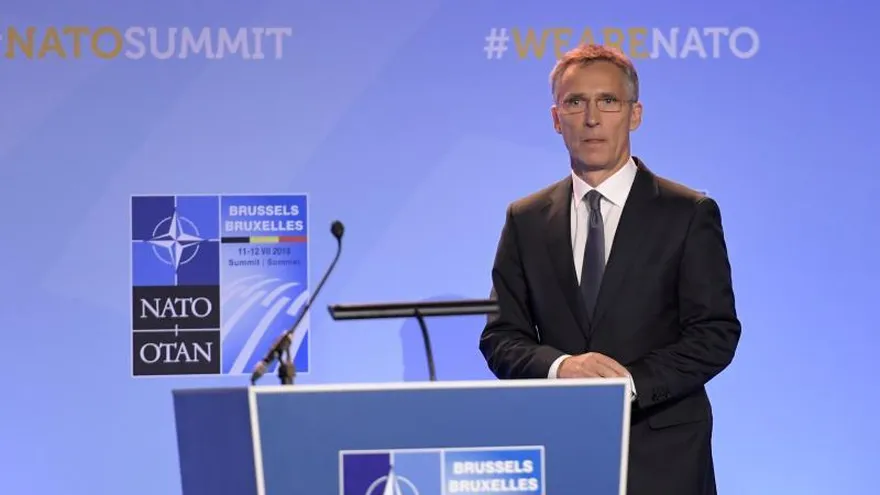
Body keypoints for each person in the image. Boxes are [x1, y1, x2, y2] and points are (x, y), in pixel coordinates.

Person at [479, 43, 742, 495]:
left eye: (608, 101)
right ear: (556, 119)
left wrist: (627, 384)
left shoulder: (688, 212)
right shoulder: (525, 218)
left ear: (634, 114)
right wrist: (562, 367)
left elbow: (714, 334)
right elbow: (501, 337)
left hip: (665, 454)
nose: (592, 118)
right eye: (575, 102)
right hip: (561, 451)